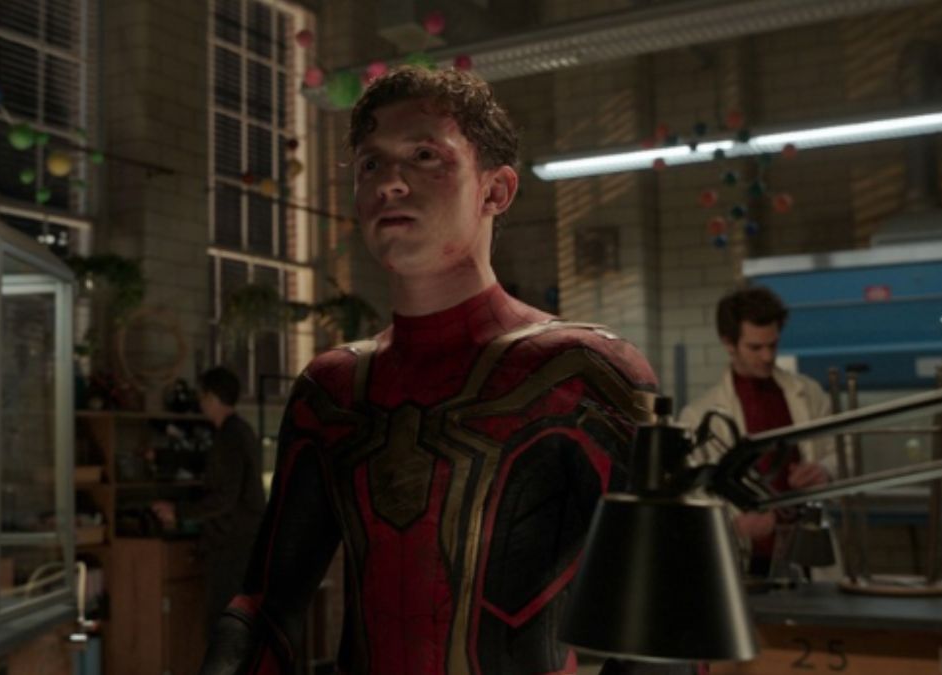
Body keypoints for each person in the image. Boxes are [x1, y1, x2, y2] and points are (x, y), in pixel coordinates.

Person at [200, 66, 677, 675]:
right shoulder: (331, 390)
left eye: (425, 156)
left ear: (495, 191)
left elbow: (667, 625)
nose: (389, 183)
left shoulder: (584, 374)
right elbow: (266, 604)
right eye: (370, 163)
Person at [678, 286, 836, 576]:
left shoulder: (808, 393)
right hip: (745, 559)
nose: (767, 356)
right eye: (755, 347)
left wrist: (824, 471)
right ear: (728, 343)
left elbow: (842, 451)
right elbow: (694, 495)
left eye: (773, 345)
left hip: (805, 553)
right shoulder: (699, 416)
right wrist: (734, 523)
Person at [158, 366, 265, 632]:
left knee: (224, 624)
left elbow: (224, 498)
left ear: (212, 397)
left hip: (233, 545)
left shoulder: (230, 436)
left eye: (202, 395)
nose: (200, 402)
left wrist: (179, 512)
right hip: (242, 542)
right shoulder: (239, 431)